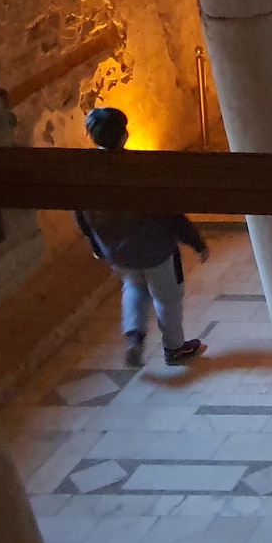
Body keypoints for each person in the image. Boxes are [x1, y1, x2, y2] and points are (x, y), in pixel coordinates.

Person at [73, 106, 209, 368]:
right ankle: (175, 348)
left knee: (134, 287)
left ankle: (134, 336)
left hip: (115, 249)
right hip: (154, 249)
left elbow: (80, 213)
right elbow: (170, 214)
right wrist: (196, 242)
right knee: (167, 297)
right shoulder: (138, 169)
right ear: (123, 135)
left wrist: (95, 244)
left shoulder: (83, 170)